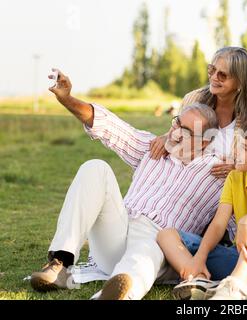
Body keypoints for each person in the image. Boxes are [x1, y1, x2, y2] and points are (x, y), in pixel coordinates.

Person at [30, 69, 229, 300]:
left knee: (143, 256)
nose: (174, 133)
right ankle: (60, 264)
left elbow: (242, 209)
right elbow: (110, 127)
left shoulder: (218, 174)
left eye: (185, 131)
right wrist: (67, 99)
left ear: (205, 141)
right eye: (176, 124)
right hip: (119, 228)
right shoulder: (154, 147)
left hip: (160, 240)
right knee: (95, 167)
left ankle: (117, 294)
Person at [157, 118, 247, 300]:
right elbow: (218, 224)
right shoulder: (235, 177)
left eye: (245, 148)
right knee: (166, 235)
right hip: (243, 258)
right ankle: (198, 280)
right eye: (238, 144)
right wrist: (199, 257)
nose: (236, 152)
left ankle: (237, 286)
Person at [149, 46, 247, 179]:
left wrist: (239, 170)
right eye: (212, 70)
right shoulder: (193, 98)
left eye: (222, 75)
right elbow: (179, 133)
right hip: (188, 186)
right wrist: (167, 137)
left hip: (231, 195)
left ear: (240, 82)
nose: (214, 77)